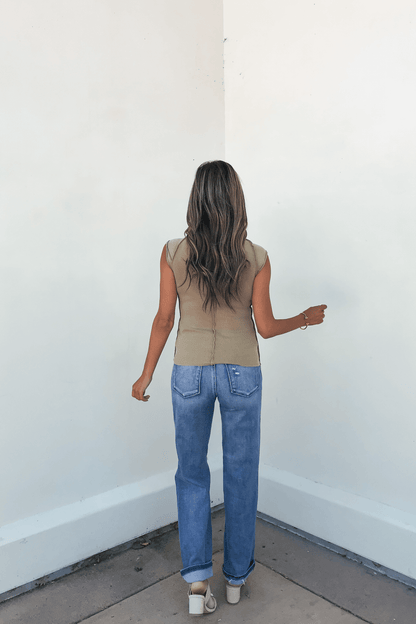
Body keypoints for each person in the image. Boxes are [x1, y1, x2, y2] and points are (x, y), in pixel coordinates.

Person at [132, 160, 327, 615]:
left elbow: (164, 319)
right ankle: (236, 579)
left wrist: (146, 374)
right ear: (236, 200)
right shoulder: (257, 257)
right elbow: (266, 327)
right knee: (241, 474)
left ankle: (197, 584)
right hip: (242, 373)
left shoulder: (173, 252)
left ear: (195, 199)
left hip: (189, 372)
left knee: (191, 474)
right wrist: (304, 319)